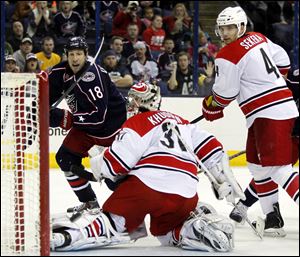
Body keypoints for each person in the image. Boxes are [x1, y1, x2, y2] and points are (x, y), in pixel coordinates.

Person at [50, 81, 244, 252]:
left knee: (112, 222)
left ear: (142, 102)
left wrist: (99, 163)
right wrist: (221, 178)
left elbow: (117, 163)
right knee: (165, 233)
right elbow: (211, 147)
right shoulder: (182, 122)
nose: (131, 104)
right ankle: (192, 228)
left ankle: (67, 237)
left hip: (147, 187)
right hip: (186, 192)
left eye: (134, 100)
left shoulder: (137, 122)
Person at [201, 6, 299, 236]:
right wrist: (271, 80)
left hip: (269, 114)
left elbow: (224, 95)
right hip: (268, 113)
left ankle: (272, 214)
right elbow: (282, 60)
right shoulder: (258, 38)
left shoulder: (227, 55)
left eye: (230, 28)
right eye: (222, 28)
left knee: (278, 168)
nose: (224, 33)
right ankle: (272, 216)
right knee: (256, 165)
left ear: (241, 26)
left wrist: (210, 106)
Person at [48, 36, 127, 215]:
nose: (75, 58)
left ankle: (130, 206)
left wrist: (66, 118)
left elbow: (99, 117)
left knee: (113, 179)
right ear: (66, 55)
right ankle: (89, 203)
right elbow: (46, 95)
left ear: (85, 55)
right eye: (71, 54)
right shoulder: (61, 70)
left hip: (111, 130)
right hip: (87, 127)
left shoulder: (93, 76)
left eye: (78, 54)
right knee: (65, 159)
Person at [229, 67, 299, 236]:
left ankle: (245, 206)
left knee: (274, 169)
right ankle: (253, 209)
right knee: (272, 169)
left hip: (292, 133)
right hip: (291, 133)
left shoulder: (292, 77)